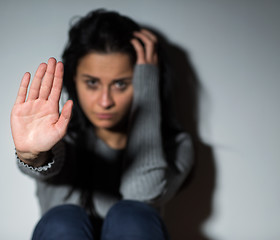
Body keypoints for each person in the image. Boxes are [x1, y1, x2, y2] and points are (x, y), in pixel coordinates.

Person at [10, 9, 194, 240]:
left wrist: (146, 98)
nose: (105, 101)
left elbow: (142, 194)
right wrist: (32, 154)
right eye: (92, 83)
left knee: (132, 216)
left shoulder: (176, 146)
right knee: (62, 220)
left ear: (143, 82)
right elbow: (45, 161)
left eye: (120, 84)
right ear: (74, 81)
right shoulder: (64, 140)